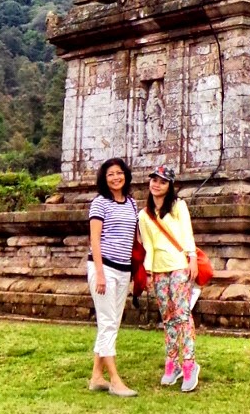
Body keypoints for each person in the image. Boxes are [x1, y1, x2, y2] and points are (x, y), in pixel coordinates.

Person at [138, 165, 201, 392]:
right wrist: (147, 272)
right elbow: (149, 246)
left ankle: (189, 364)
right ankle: (171, 363)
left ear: (169, 186)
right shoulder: (144, 215)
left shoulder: (178, 206)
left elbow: (187, 233)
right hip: (158, 269)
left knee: (182, 314)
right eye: (154, 180)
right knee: (167, 317)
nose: (156, 184)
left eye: (162, 181)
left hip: (179, 266)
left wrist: (192, 258)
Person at [87, 157, 139, 397]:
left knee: (112, 323)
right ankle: (115, 380)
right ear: (104, 179)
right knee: (107, 323)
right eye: (110, 174)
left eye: (119, 173)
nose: (116, 177)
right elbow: (95, 240)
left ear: (126, 176)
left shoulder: (131, 203)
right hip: (104, 269)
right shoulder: (99, 203)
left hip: (123, 269)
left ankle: (97, 377)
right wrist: (99, 274)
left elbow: (135, 238)